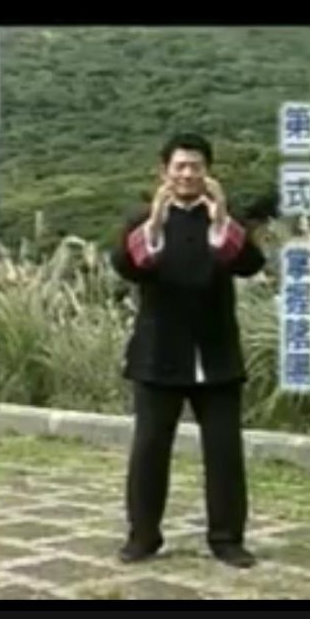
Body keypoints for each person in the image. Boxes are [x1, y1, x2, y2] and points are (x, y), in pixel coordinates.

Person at [110, 132, 266, 568]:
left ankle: (227, 539)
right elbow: (127, 267)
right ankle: (143, 536)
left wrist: (222, 220)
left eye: (196, 166)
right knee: (149, 449)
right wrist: (155, 223)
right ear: (164, 172)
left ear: (208, 172)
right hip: (158, 353)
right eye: (179, 166)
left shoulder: (226, 218)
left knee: (224, 451)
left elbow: (250, 264)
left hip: (217, 354)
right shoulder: (141, 218)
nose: (187, 174)